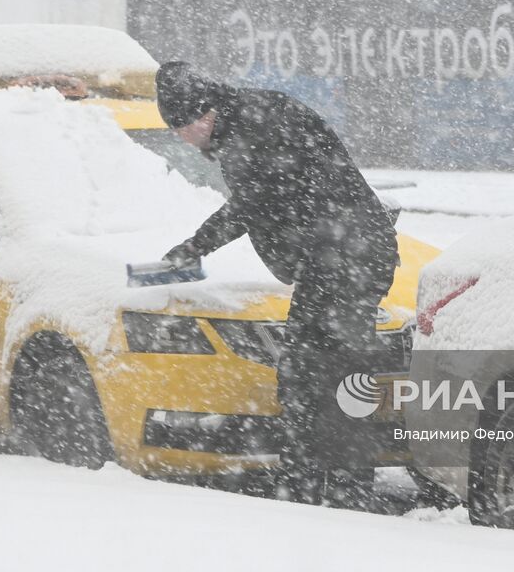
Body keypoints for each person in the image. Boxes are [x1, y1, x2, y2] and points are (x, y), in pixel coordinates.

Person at [153, 61, 399, 508]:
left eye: (181, 127)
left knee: (314, 373)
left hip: (344, 258)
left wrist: (193, 247)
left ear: (203, 114)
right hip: (346, 254)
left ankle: (321, 487)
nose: (181, 138)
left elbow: (251, 205)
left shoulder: (250, 129)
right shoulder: (254, 114)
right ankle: (332, 484)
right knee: (327, 372)